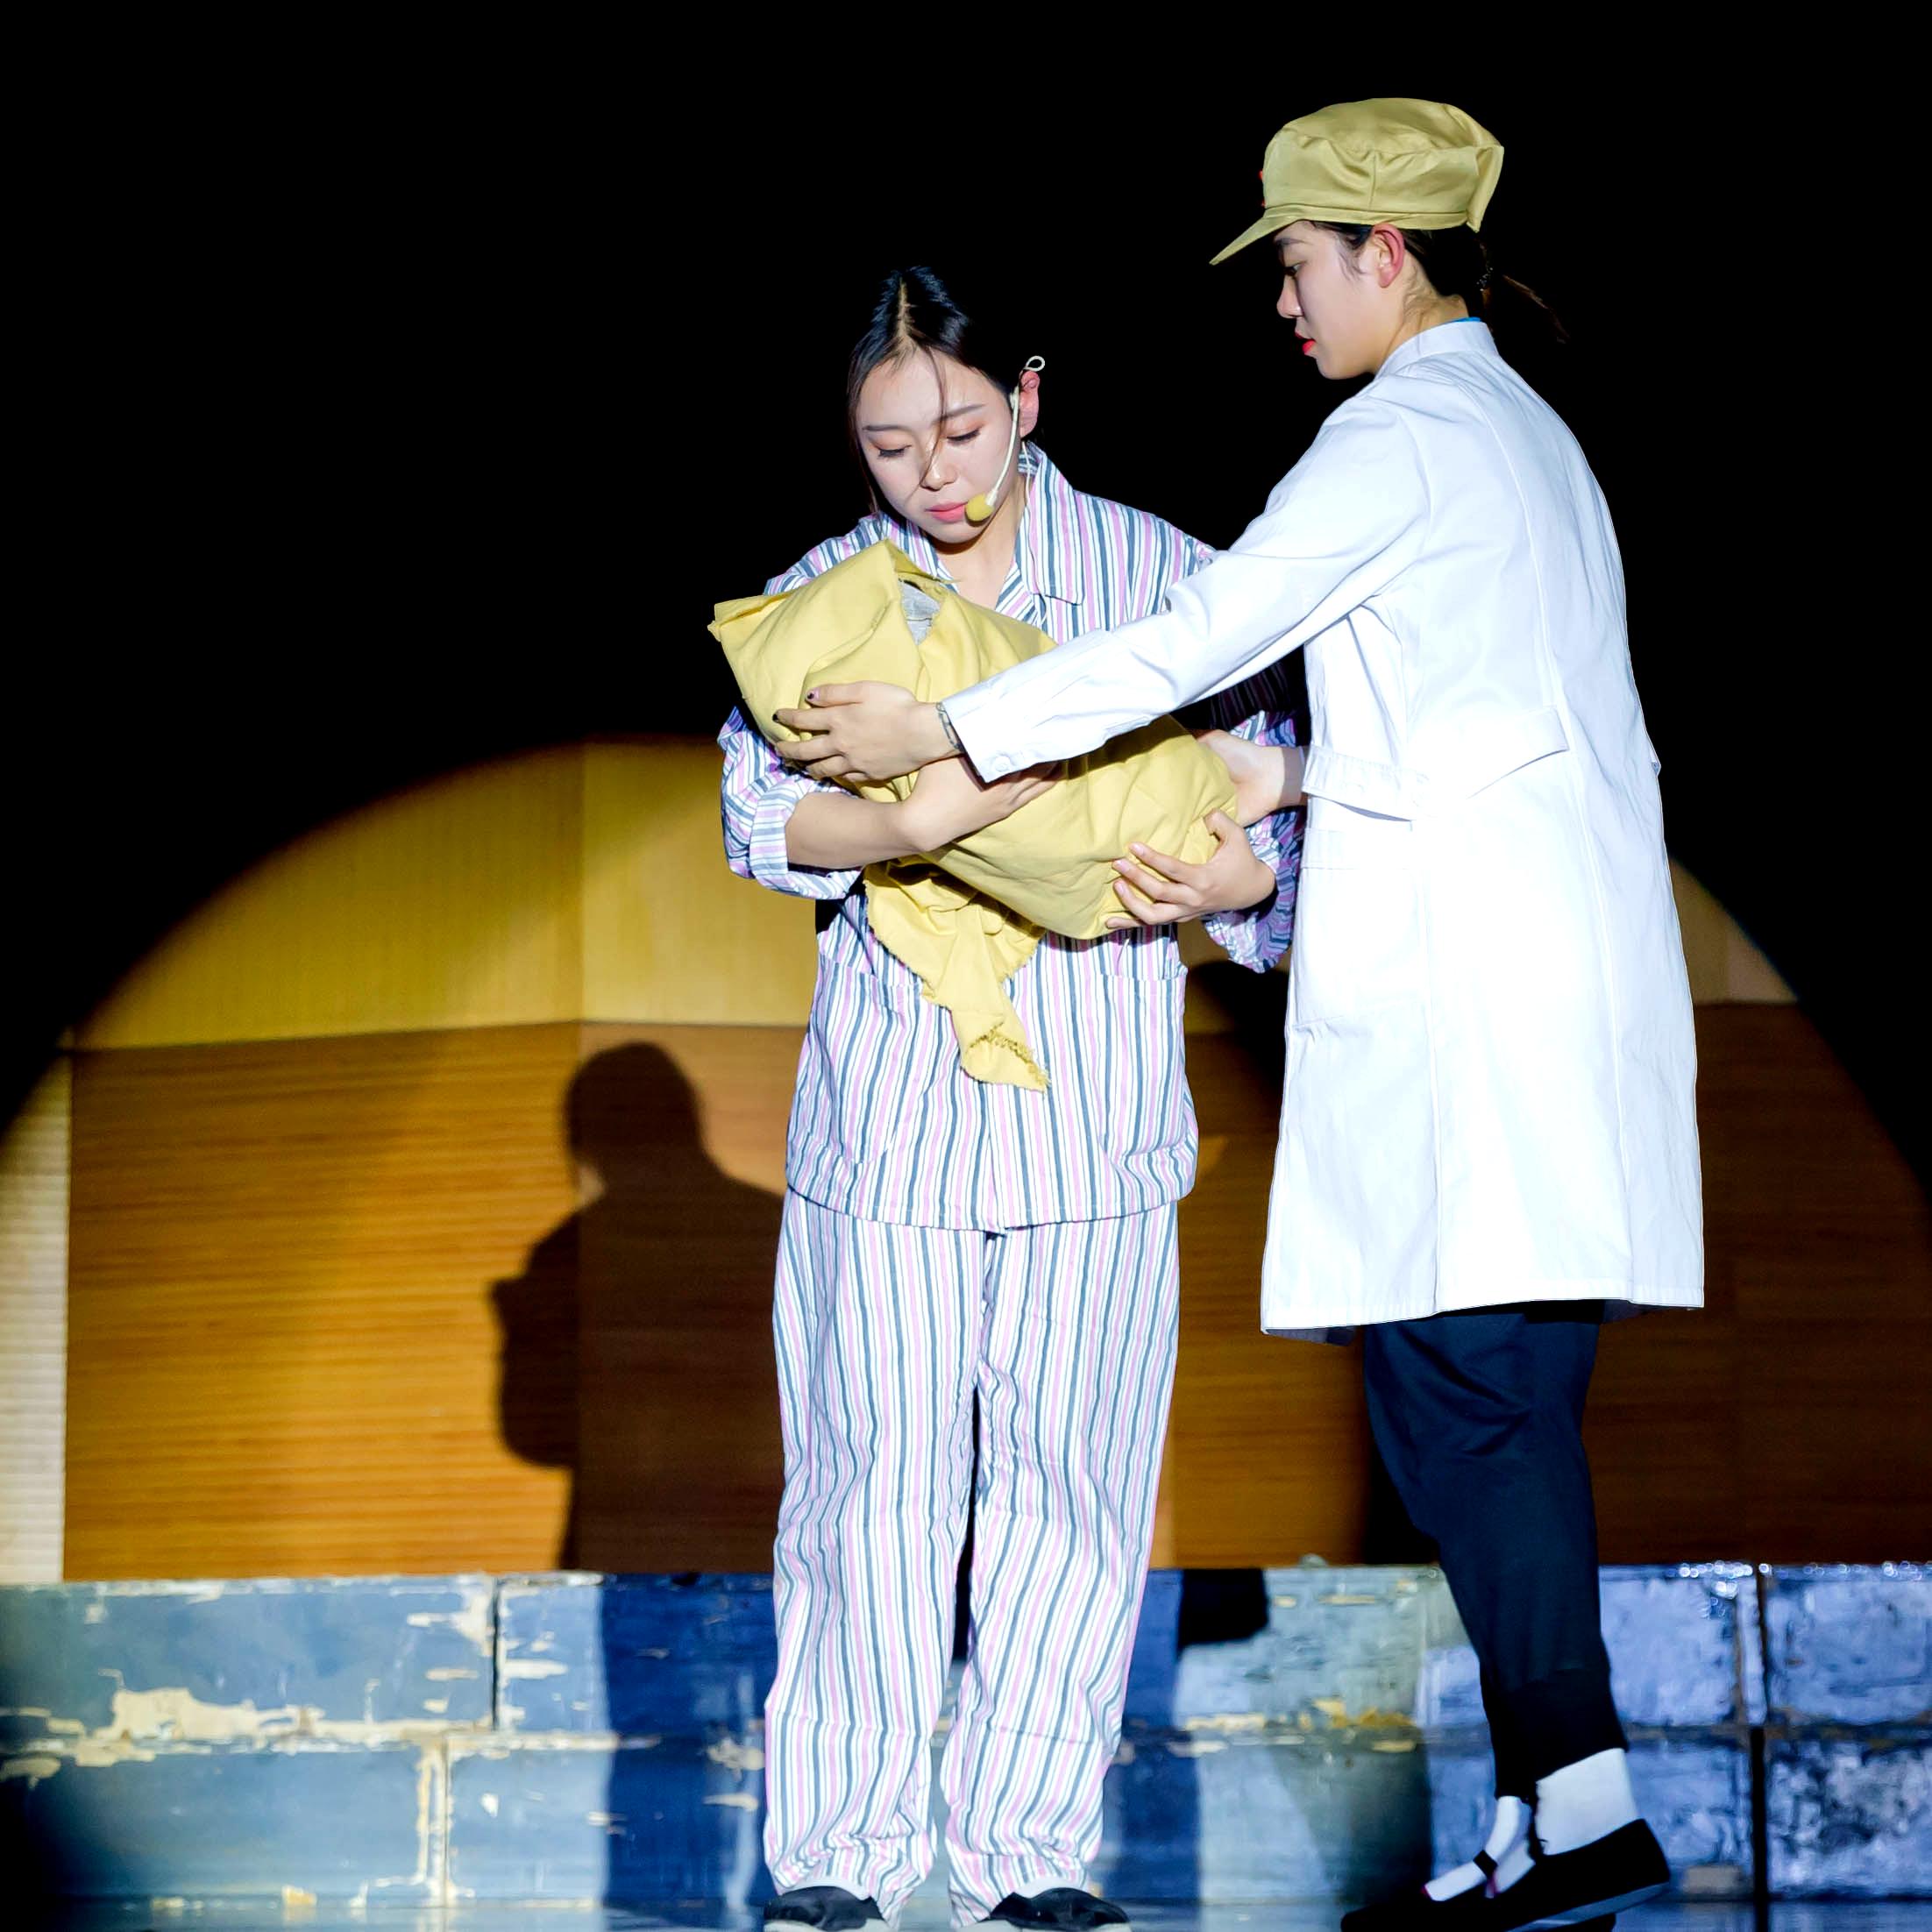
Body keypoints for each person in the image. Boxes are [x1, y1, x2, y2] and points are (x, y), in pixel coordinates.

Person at [771, 102, 1701, 1932]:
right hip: (1521, 986)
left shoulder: (1403, 436)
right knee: (1479, 1403)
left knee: (1467, 1405)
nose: (1284, 301)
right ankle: (1548, 1816)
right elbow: (1447, 716)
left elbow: (1189, 649)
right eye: (892, 439)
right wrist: (1272, 796)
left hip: (1467, 997)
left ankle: (1577, 1810)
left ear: (1380, 252)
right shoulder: (1520, 434)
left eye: (1295, 263)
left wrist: (944, 733)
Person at [721, 266, 1306, 1932]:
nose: (937, 473)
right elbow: (759, 820)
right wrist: (911, 826)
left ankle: (1028, 1861)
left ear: (1028, 397)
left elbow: (1279, 786)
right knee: (868, 1494)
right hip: (891, 1118)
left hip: (1099, 1111)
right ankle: (837, 1861)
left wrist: (1236, 880)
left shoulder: (1163, 579)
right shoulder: (827, 592)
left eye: (964, 428)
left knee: (1074, 1493)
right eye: (892, 444)